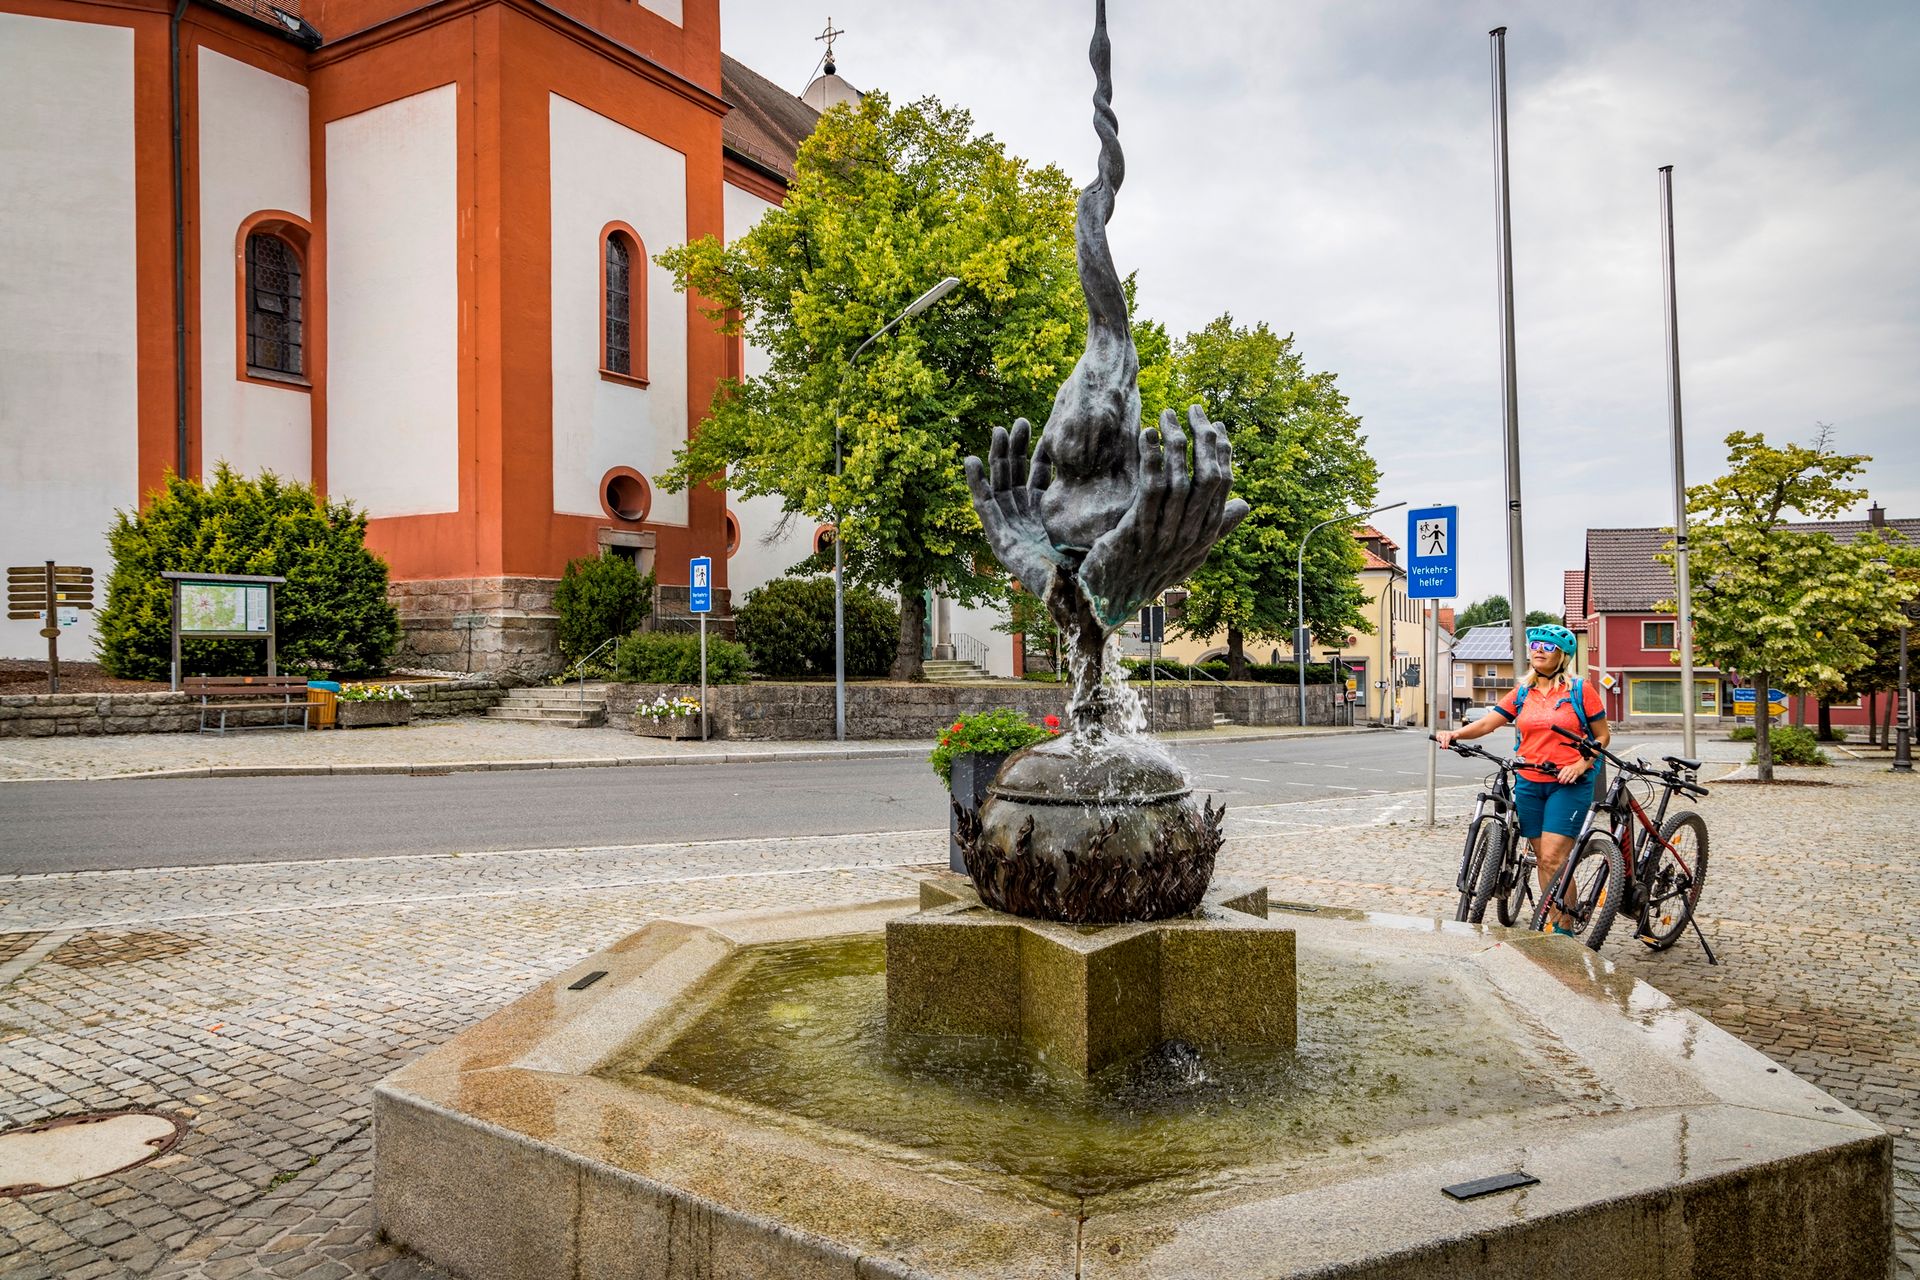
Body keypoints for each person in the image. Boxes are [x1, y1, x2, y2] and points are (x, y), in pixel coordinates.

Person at [1435, 623, 1608, 934]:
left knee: (1555, 857)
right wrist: (1455, 733)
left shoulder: (1581, 691)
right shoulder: (1523, 692)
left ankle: (1564, 930)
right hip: (1529, 782)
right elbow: (1488, 723)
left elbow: (1603, 737)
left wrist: (1582, 765)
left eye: (1548, 647)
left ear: (1564, 656)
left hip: (1568, 783)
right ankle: (1557, 922)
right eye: (1535, 646)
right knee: (1542, 859)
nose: (1539, 651)